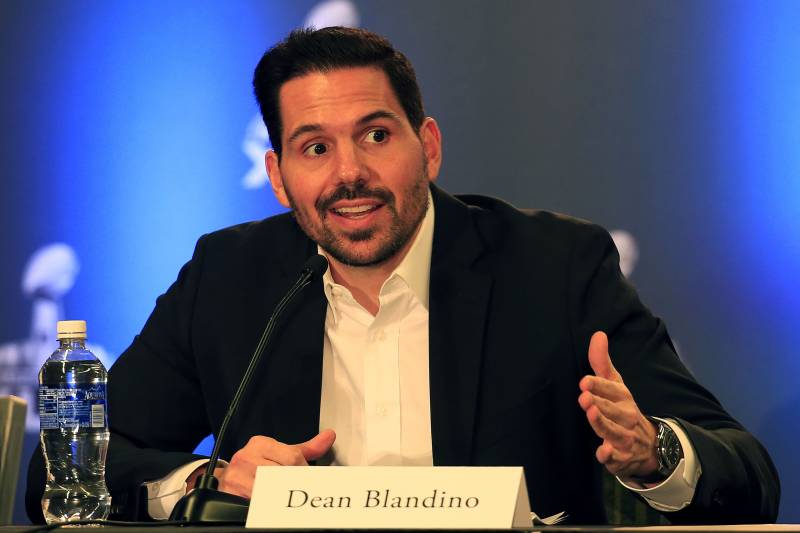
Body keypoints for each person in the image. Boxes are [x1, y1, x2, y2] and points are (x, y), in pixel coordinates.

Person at [26, 27, 779, 524]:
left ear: (429, 146)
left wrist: (655, 452)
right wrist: (209, 479)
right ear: (279, 177)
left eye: (375, 136)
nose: (349, 173)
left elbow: (744, 472)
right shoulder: (230, 276)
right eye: (314, 148)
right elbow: (62, 475)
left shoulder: (552, 270)